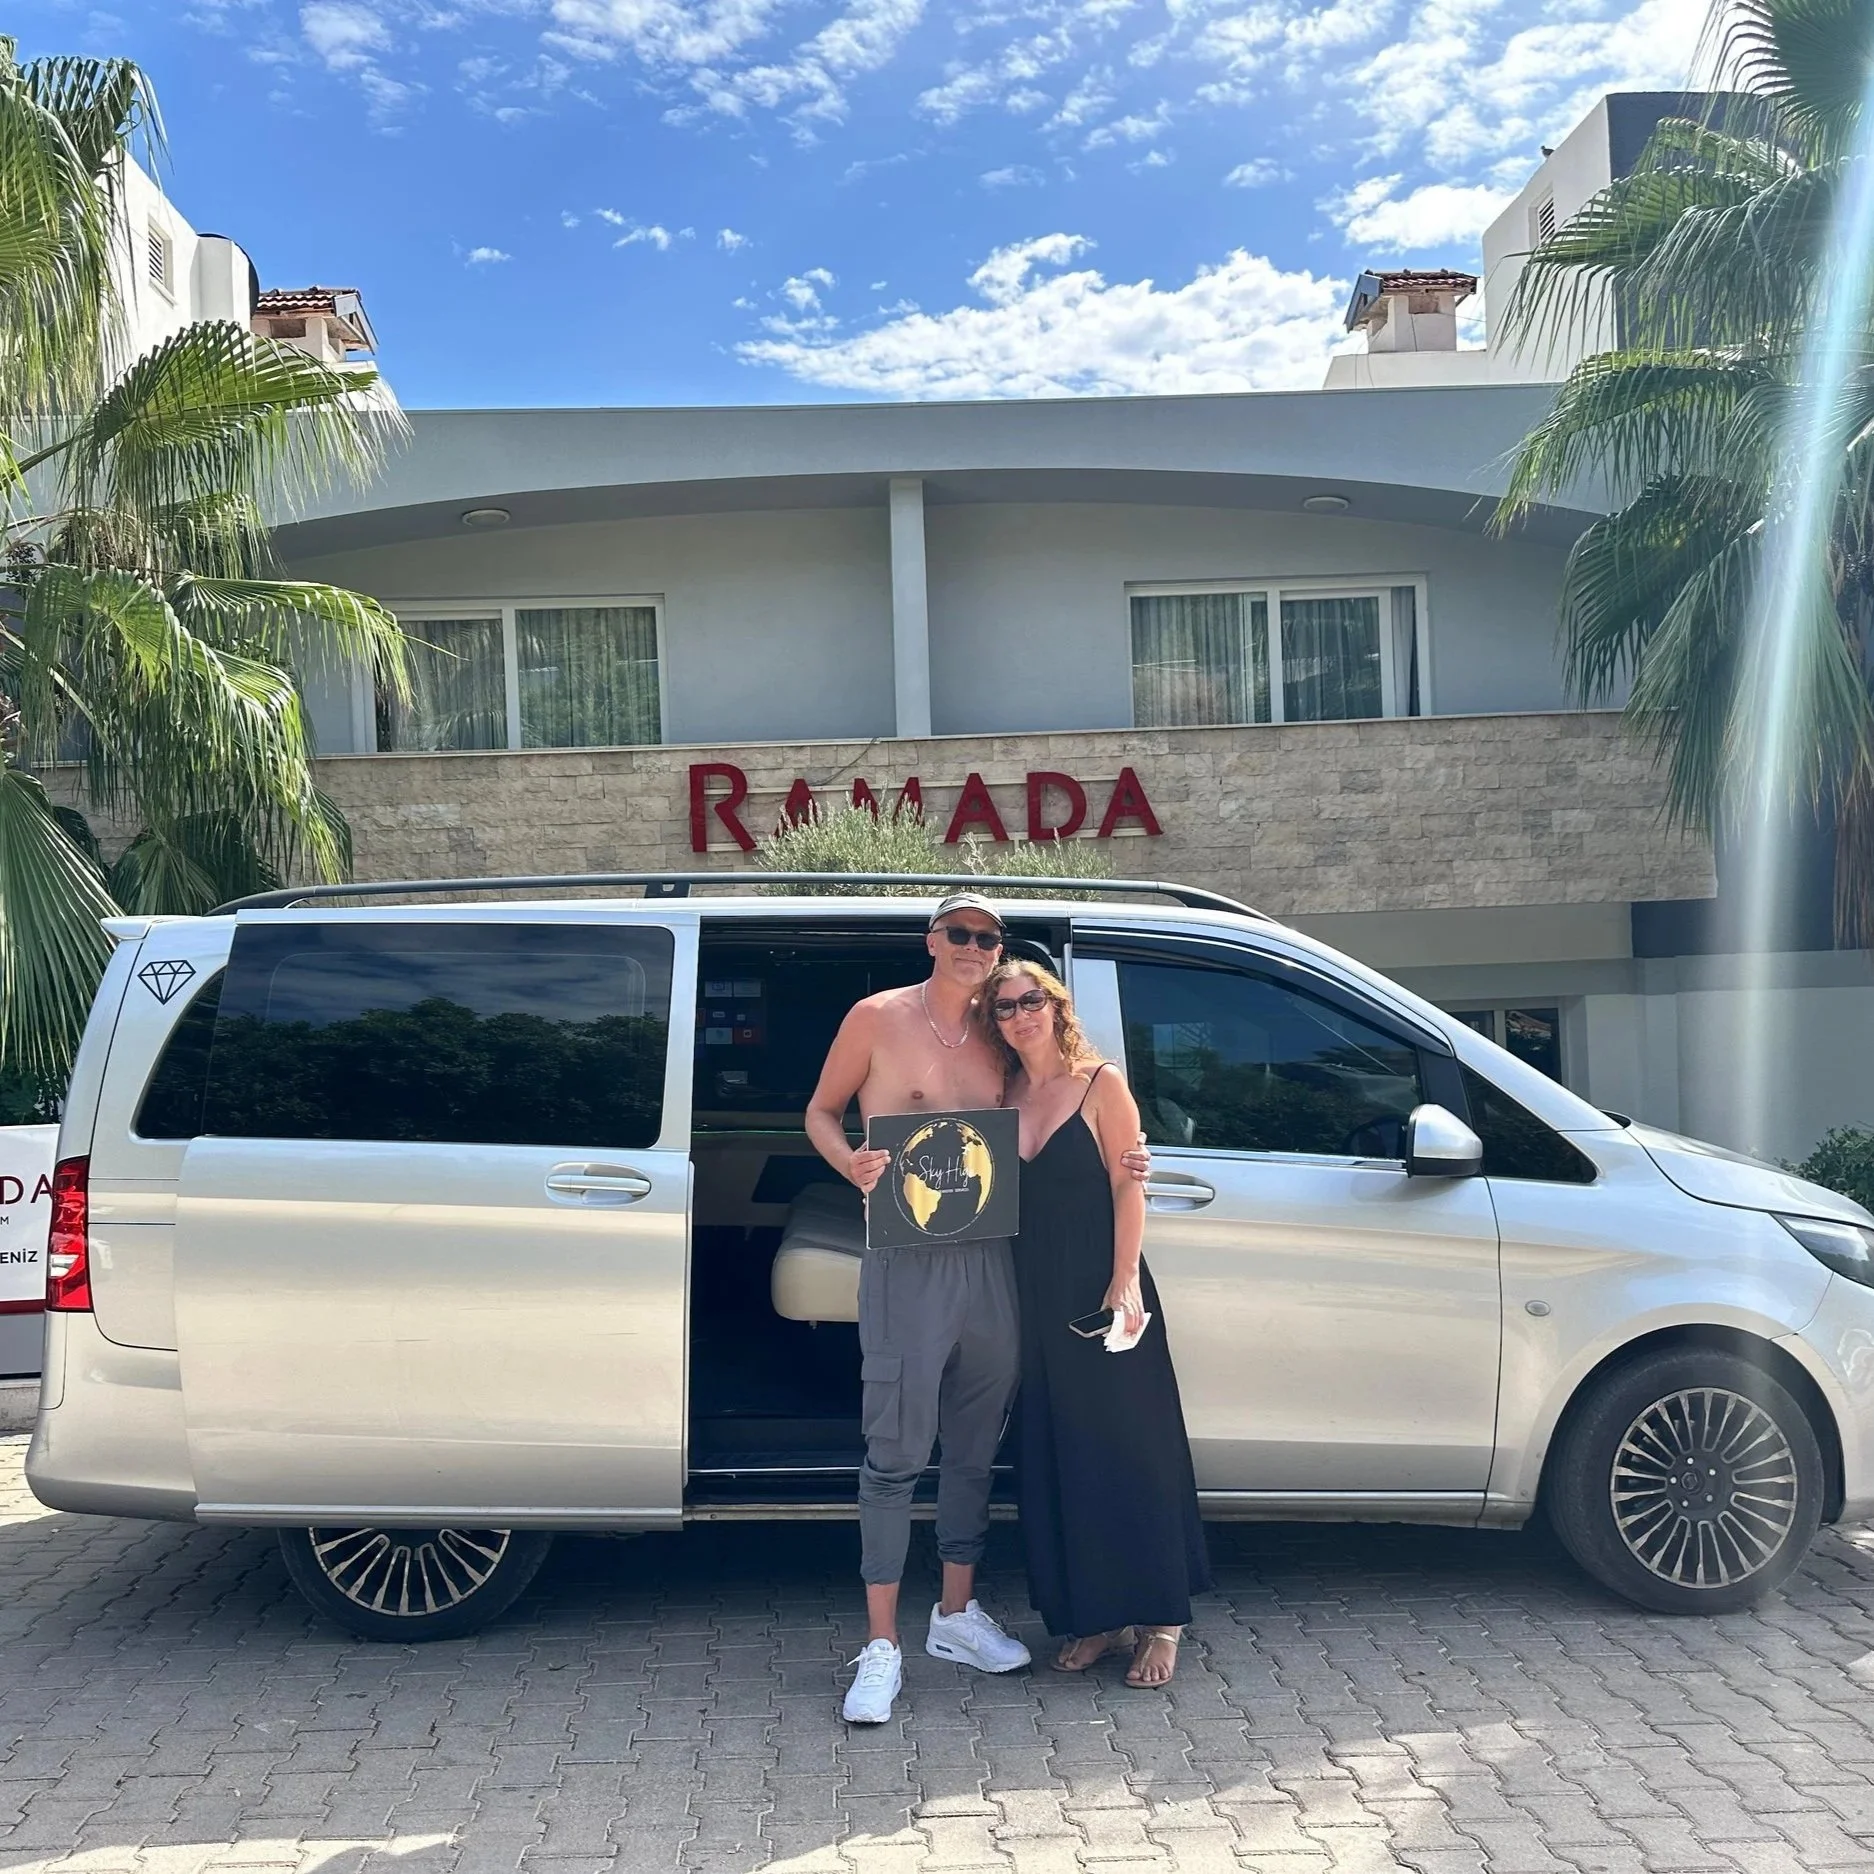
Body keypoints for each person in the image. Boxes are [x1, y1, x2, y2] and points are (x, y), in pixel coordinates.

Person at [805, 894, 1150, 1724]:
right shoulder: (877, 1018)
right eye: (959, 933)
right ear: (933, 940)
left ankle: (955, 1616)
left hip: (995, 1262)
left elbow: (1066, 1099)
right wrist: (849, 1159)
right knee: (894, 1448)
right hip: (907, 1258)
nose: (974, 947)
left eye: (988, 938)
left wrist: (1132, 1151)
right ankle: (881, 1646)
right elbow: (819, 1110)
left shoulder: (1005, 1035)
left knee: (970, 1448)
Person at [983, 956, 1211, 1689]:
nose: (1018, 1015)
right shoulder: (1004, 1093)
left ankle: (1161, 1622)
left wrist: (1124, 1280)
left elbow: (1127, 1183)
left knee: (1132, 1450)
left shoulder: (1099, 1082)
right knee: (1066, 1455)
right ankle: (1099, 1619)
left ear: (1055, 1006)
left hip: (1106, 1292)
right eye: (1003, 1007)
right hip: (1036, 1297)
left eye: (1029, 1001)